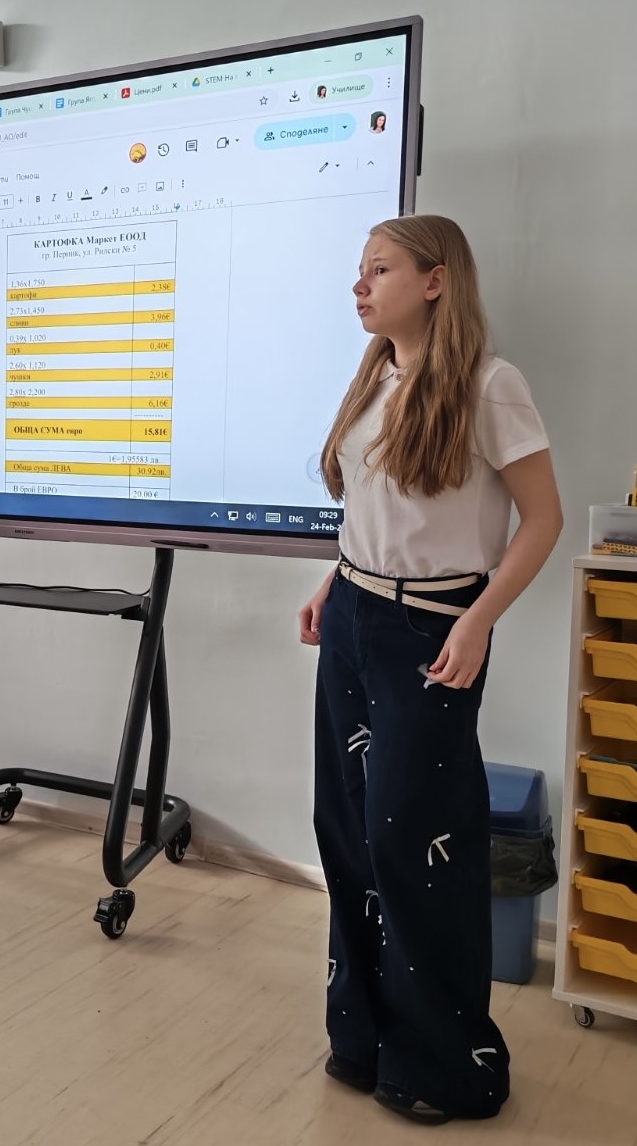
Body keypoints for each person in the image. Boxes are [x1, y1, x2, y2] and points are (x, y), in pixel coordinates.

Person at [298, 215, 561, 1125]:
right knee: (348, 829)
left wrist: (479, 620)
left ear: (436, 280)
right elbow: (374, 510)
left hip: (432, 627)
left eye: (378, 269)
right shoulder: (374, 374)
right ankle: (362, 1037)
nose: (360, 285)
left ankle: (444, 1064)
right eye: (359, 270)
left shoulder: (490, 385)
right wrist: (330, 584)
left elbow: (541, 520)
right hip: (354, 614)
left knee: (417, 841)